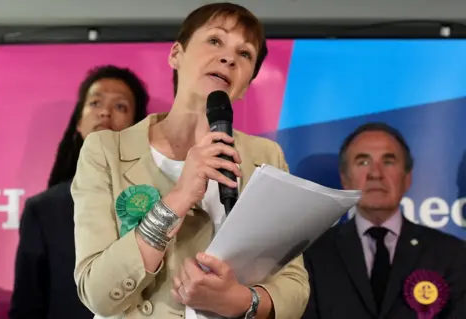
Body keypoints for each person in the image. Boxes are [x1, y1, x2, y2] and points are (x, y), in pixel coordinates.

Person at [71, 3, 310, 319]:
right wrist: (178, 198)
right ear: (175, 55)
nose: (228, 58)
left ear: (248, 82)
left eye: (245, 54)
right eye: (215, 40)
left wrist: (240, 300)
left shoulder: (265, 158)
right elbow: (96, 293)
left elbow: (294, 285)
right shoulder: (105, 150)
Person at [9, 65, 149, 319]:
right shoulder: (43, 209)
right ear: (79, 121)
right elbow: (27, 307)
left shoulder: (152, 198)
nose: (105, 112)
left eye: (121, 106)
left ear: (136, 125)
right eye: (95, 103)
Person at [302, 122, 466, 319]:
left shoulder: (452, 255)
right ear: (345, 179)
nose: (375, 174)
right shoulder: (314, 255)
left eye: (388, 161)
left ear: (407, 178)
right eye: (363, 162)